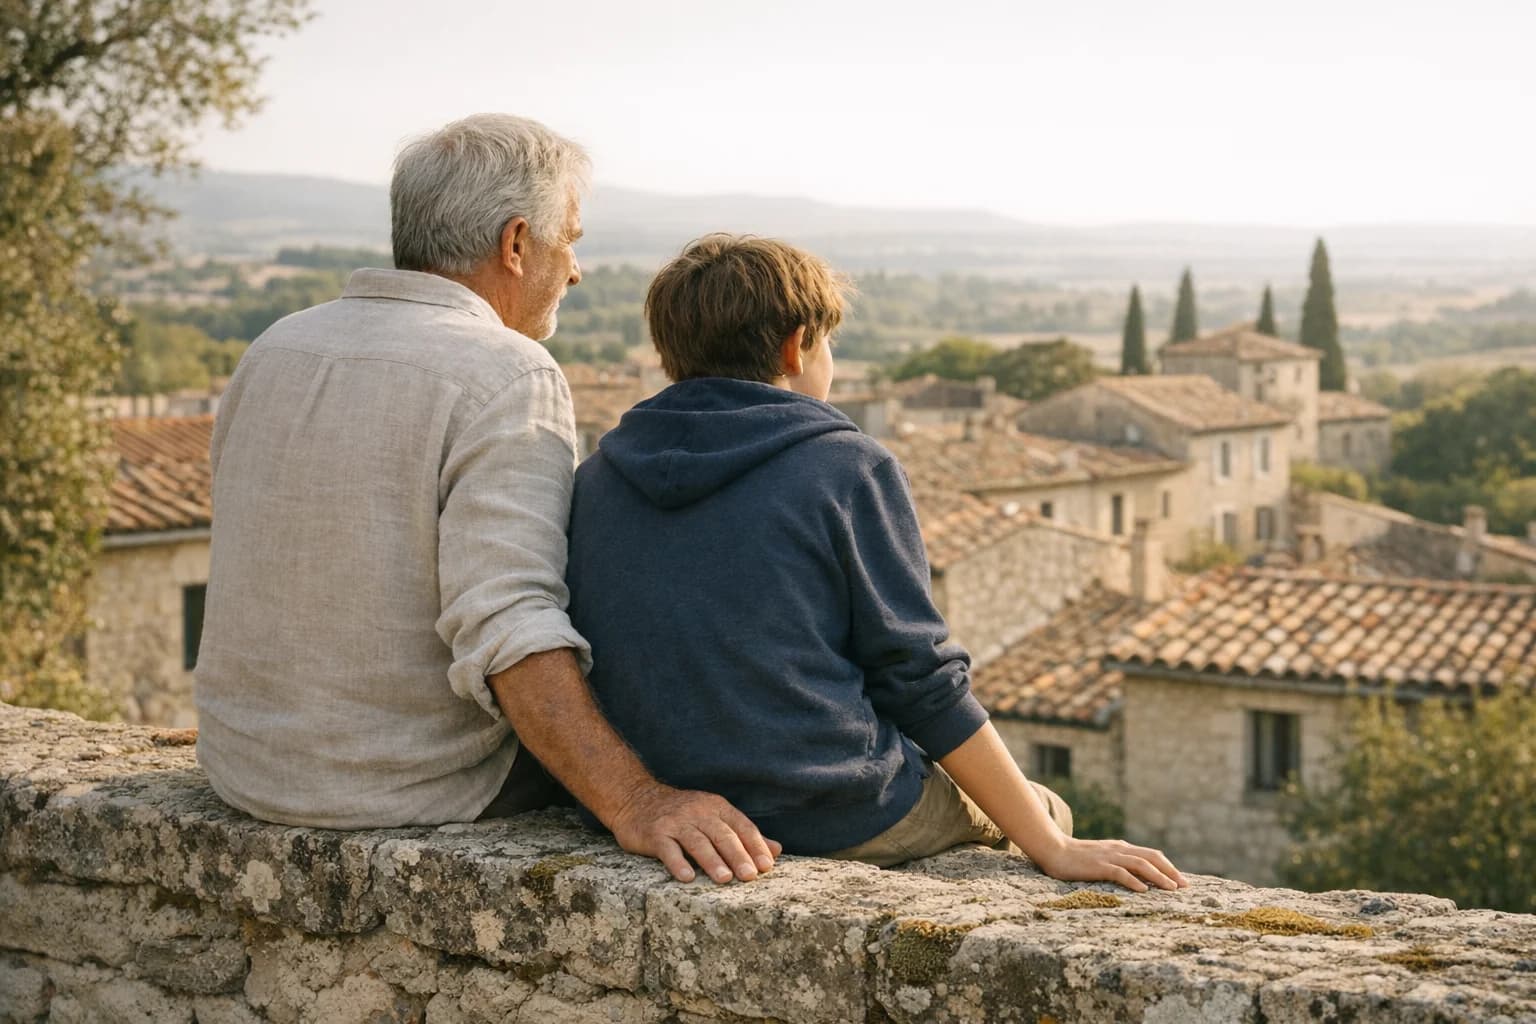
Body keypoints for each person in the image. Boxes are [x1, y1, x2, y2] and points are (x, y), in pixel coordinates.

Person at [194, 115, 777, 886]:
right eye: (568, 240)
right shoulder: (506, 371)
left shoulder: (276, 347)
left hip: (246, 767)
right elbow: (509, 621)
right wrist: (639, 801)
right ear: (515, 244)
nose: (575, 271)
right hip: (406, 787)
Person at [565, 235, 1186, 889]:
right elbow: (920, 680)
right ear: (795, 345)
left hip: (662, 805)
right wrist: (1053, 845)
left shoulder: (597, 475)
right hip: (826, 808)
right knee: (1045, 806)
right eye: (828, 343)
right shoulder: (843, 464)